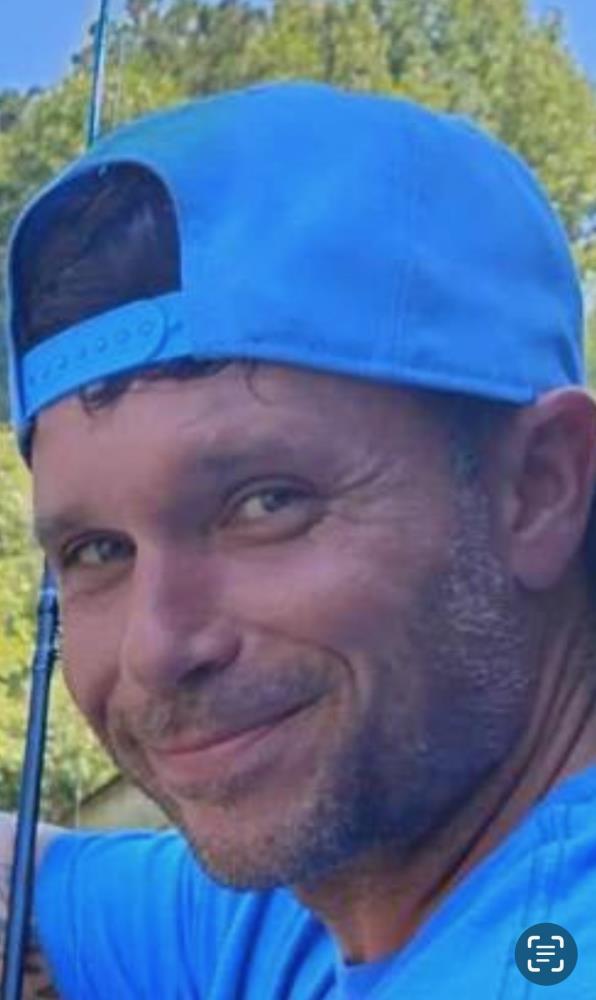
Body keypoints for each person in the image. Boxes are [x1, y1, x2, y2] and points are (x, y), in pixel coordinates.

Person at [2, 80, 596, 999]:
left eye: (265, 503)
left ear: (540, 488)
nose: (157, 649)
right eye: (98, 552)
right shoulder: (328, 893)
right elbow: (34, 875)